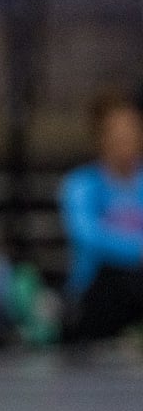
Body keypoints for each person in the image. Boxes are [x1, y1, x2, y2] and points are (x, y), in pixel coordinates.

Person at [58, 91, 143, 343]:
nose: (124, 139)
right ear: (101, 138)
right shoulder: (81, 185)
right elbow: (88, 236)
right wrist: (138, 250)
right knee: (119, 278)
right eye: (116, 133)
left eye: (131, 131)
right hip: (97, 288)